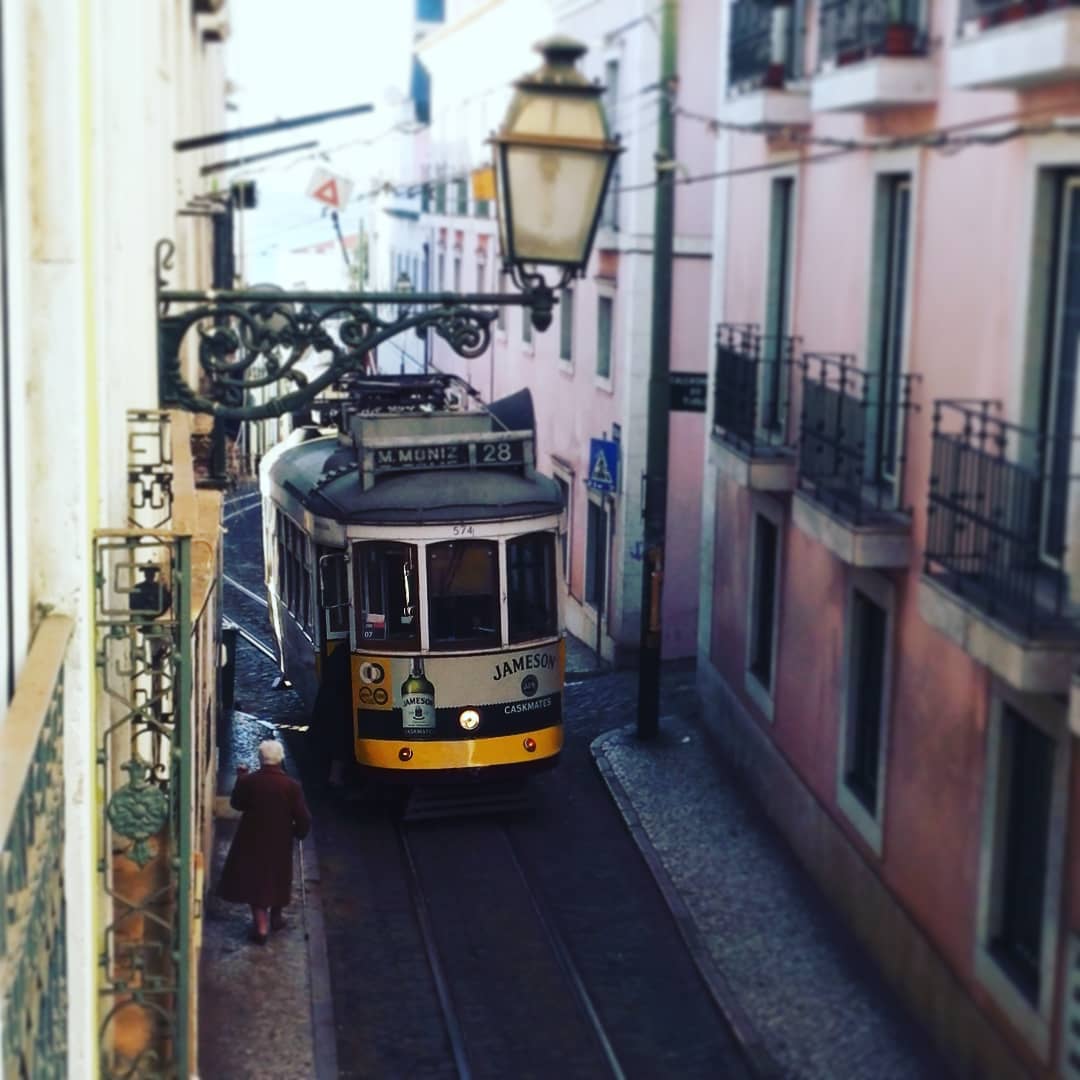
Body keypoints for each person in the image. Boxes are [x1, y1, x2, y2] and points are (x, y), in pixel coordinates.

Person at [218, 739, 311, 944]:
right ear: (280, 760)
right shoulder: (291, 786)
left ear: (261, 759)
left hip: (252, 838)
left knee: (257, 881)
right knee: (278, 877)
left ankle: (261, 926)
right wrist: (299, 832)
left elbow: (237, 804)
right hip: (280, 839)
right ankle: (276, 918)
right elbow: (303, 817)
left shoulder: (250, 781)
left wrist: (241, 779)